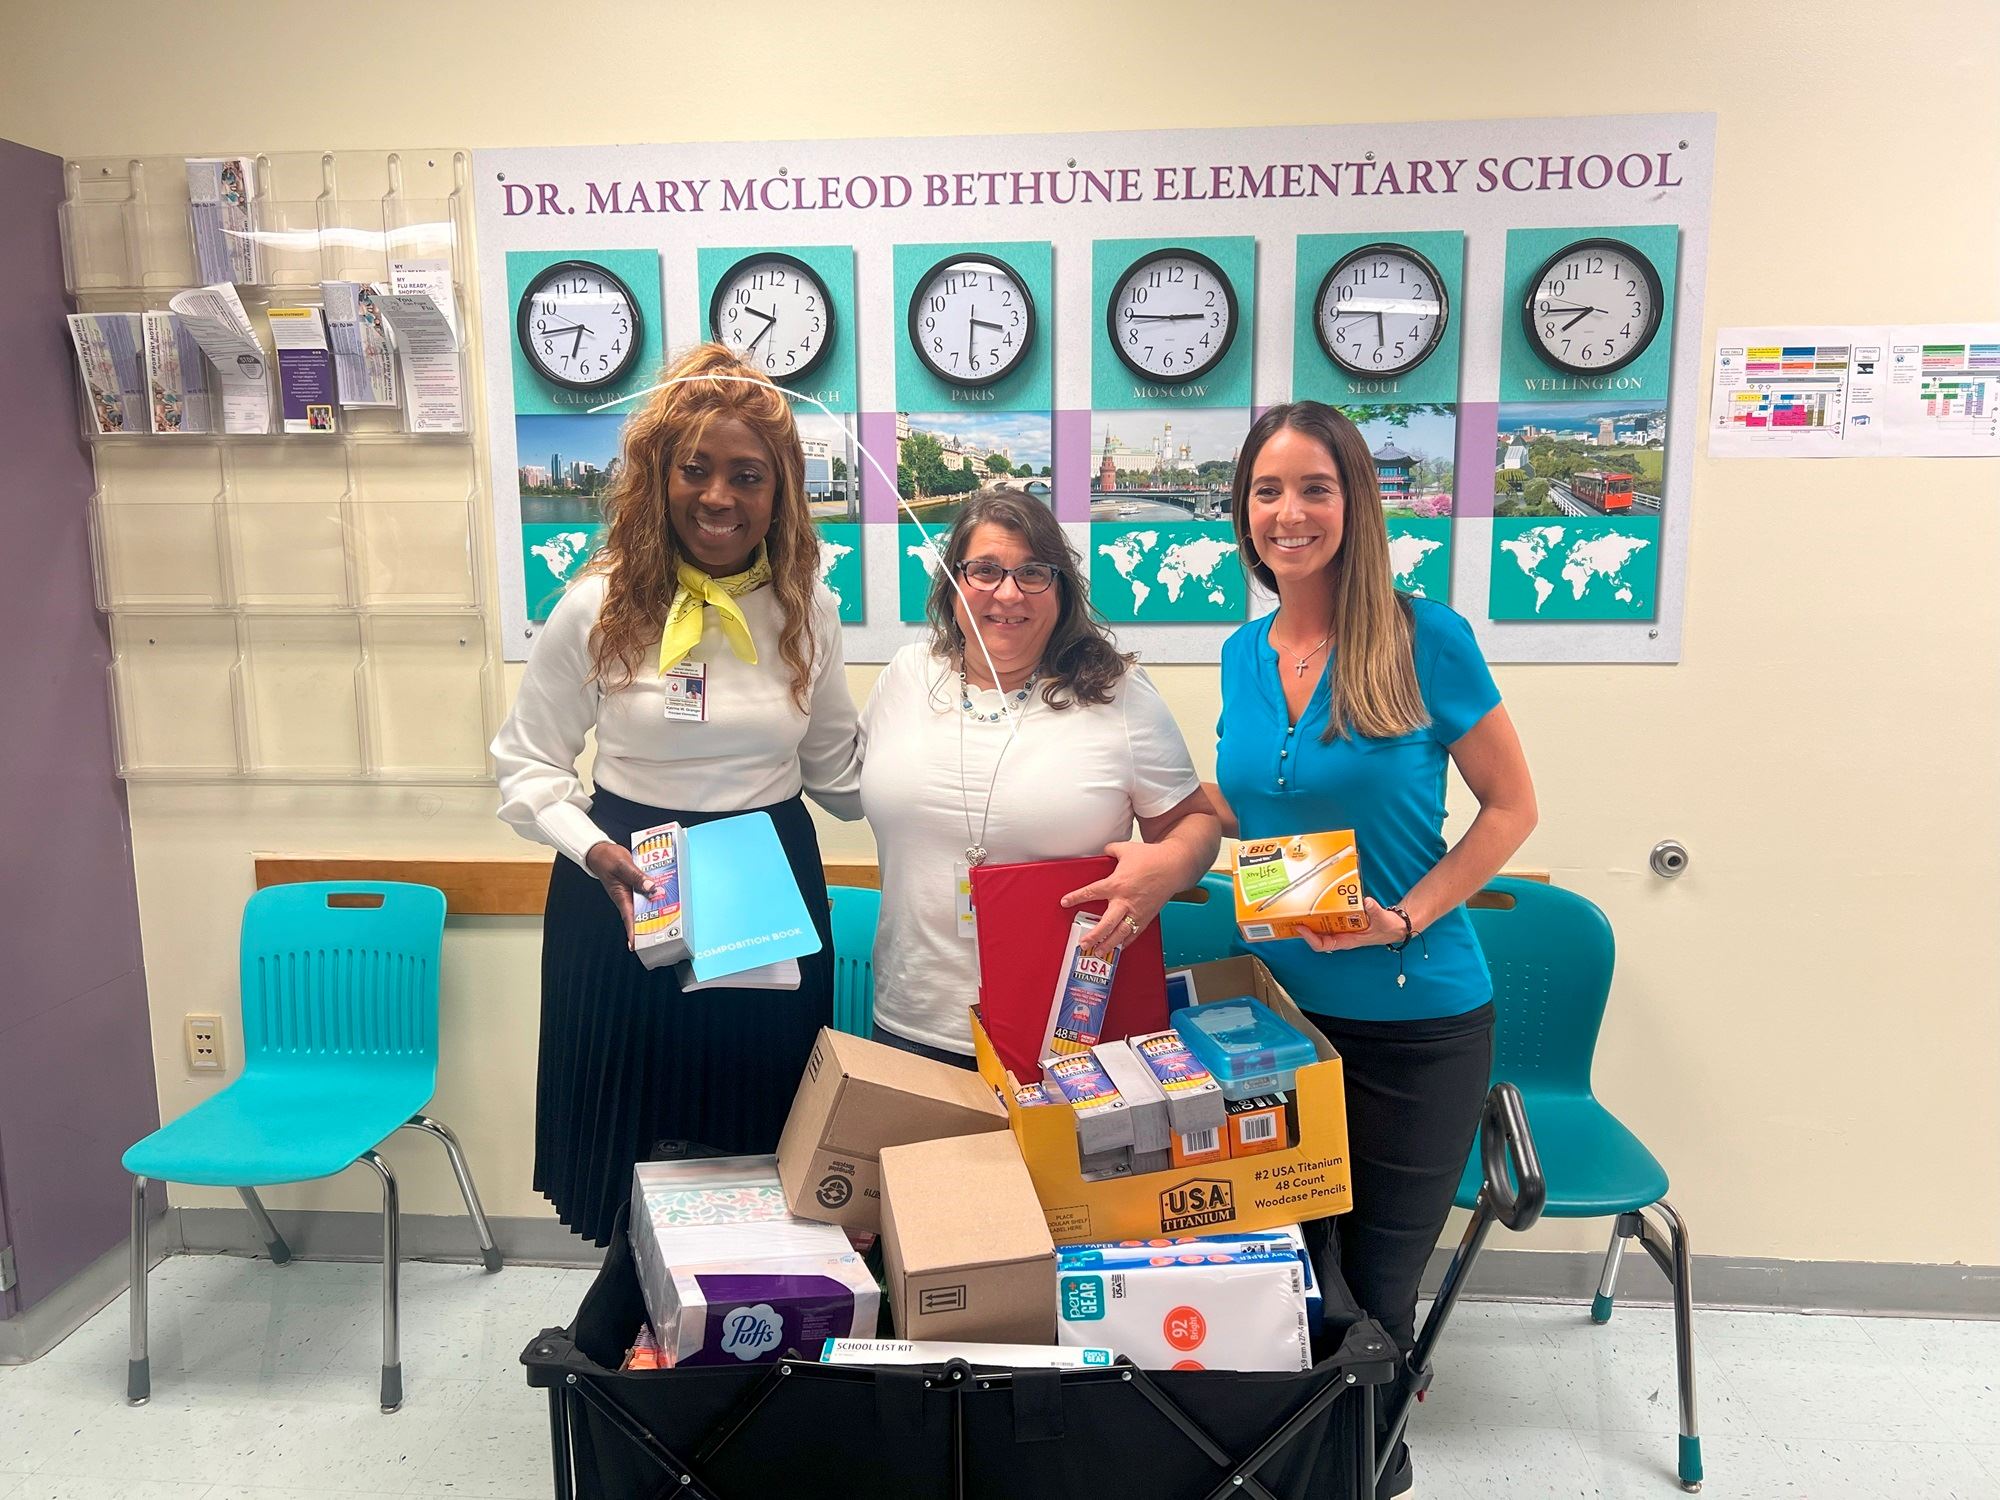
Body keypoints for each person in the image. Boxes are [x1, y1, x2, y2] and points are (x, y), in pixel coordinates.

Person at [1203, 402, 1537, 1489]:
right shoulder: (1240, 653)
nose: (1288, 513)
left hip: (1414, 1022)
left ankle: (1364, 1478)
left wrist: (1404, 915)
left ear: (1353, 503)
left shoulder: (1422, 636)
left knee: (1377, 1298)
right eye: (1266, 491)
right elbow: (1256, 804)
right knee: (1284, 1281)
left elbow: (1508, 809)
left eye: (1313, 488)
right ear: (1241, 512)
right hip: (1275, 1023)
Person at [491, 344, 862, 1246]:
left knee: (758, 1142)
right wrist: (590, 850)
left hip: (765, 890)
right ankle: (633, 1354)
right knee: (634, 1147)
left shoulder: (805, 604)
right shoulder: (596, 606)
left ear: (782, 491)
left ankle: (753, 1348)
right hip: (626, 891)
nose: (720, 498)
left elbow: (840, 775)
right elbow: (525, 765)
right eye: (695, 470)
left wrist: (975, 742)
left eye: (748, 475)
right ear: (657, 475)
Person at [858, 489, 1220, 1064]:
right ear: (953, 584)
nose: (1007, 593)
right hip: (911, 1019)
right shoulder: (906, 676)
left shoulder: (1117, 694)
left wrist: (1171, 867)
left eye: (1032, 573)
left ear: (1061, 589)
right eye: (984, 571)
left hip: (1066, 1033)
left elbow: (1194, 821)